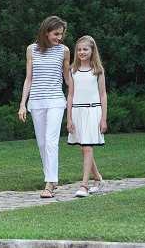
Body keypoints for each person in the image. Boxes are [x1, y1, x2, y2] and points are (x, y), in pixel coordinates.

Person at [18, 16, 72, 199]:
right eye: (56, 34)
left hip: (56, 101)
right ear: (46, 32)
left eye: (61, 35)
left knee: (51, 141)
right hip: (36, 101)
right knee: (41, 143)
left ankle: (50, 183)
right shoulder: (31, 50)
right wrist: (22, 104)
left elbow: (67, 78)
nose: (59, 38)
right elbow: (29, 78)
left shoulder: (63, 51)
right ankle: (51, 177)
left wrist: (79, 93)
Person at [67, 35, 107, 197]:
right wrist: (69, 117)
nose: (82, 52)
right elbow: (70, 95)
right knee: (83, 148)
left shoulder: (98, 71)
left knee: (88, 147)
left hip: (93, 111)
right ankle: (97, 178)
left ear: (92, 51)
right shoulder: (73, 71)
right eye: (79, 49)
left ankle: (84, 185)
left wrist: (103, 118)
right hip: (77, 111)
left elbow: (103, 95)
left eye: (85, 49)